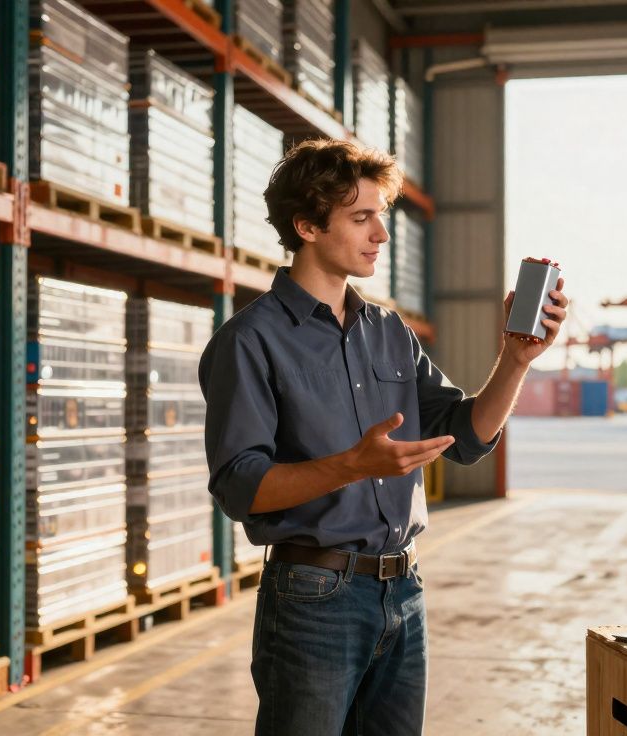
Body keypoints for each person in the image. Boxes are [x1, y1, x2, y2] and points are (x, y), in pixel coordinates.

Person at [199, 139, 567, 735]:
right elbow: (240, 487)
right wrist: (353, 465)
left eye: (382, 215)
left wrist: (515, 359)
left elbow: (464, 437)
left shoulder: (389, 331)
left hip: (403, 590)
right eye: (361, 217)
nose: (381, 234)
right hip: (313, 597)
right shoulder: (249, 342)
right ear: (307, 226)